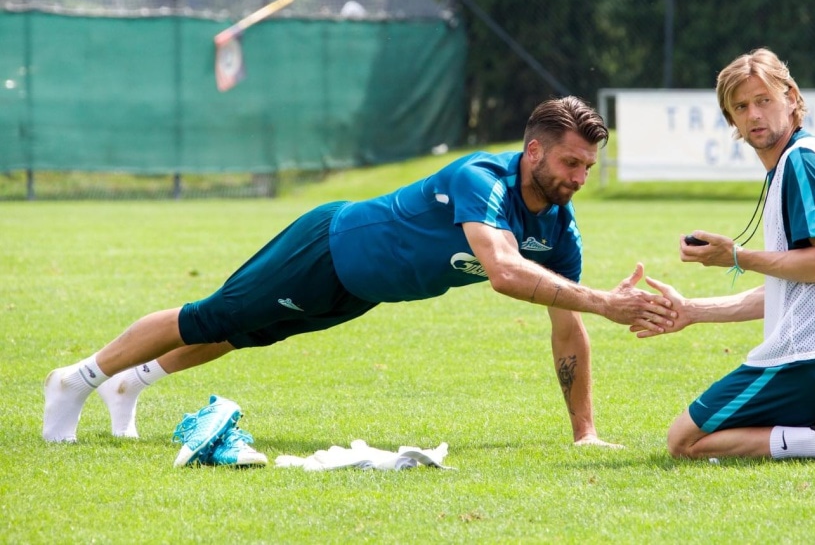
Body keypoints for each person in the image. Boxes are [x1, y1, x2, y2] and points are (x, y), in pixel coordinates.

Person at [44, 96, 676, 462]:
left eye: (588, 167)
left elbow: (567, 331)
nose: (578, 178)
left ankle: (130, 384)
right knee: (214, 316)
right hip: (325, 247)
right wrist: (603, 301)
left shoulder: (560, 230)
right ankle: (78, 379)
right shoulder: (481, 179)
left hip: (360, 291)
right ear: (533, 151)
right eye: (570, 162)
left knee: (244, 335)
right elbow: (505, 273)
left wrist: (585, 435)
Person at [636, 49, 815, 466]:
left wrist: (738, 256)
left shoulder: (802, 161)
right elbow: (789, 289)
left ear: (792, 97)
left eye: (764, 100)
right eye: (740, 106)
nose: (753, 114)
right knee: (695, 436)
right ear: (731, 120)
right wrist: (691, 310)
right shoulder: (794, 163)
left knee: (684, 440)